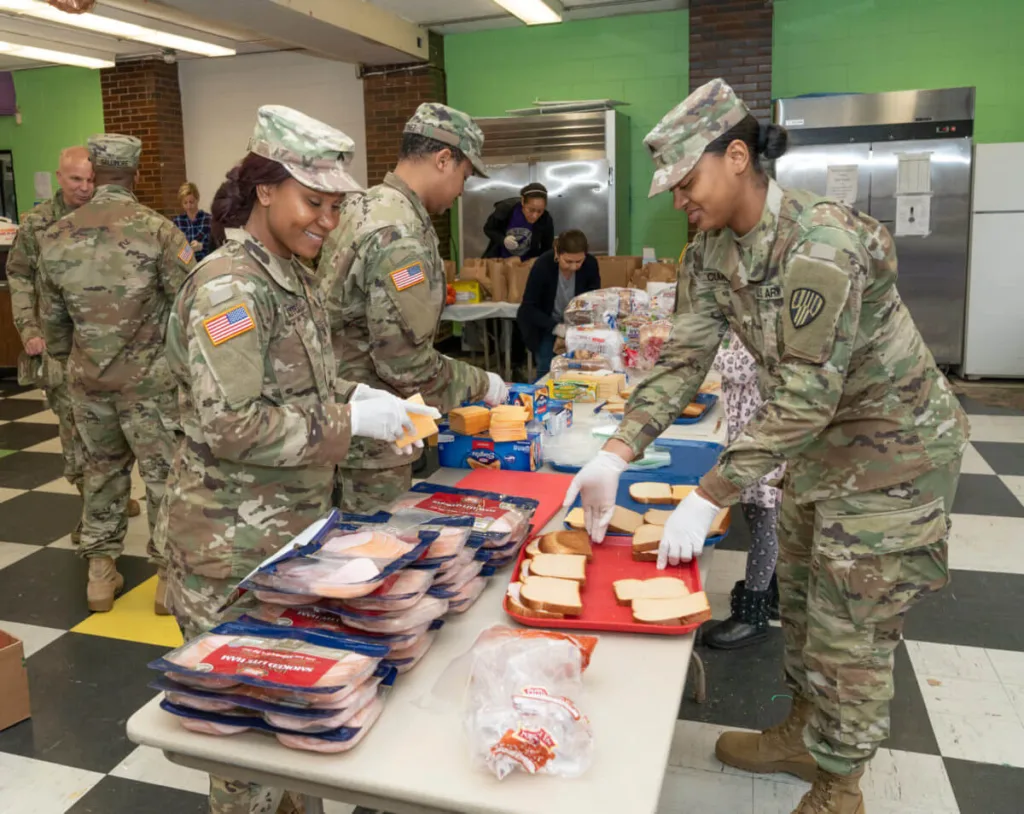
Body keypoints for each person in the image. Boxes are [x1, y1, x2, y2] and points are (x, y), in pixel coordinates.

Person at [563, 79, 968, 814]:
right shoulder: (712, 253)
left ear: (739, 156)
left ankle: (839, 789)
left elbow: (806, 398)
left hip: (893, 458)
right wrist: (615, 452)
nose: (680, 200)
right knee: (807, 608)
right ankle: (804, 734)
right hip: (817, 454)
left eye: (687, 182)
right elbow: (681, 362)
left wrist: (708, 496)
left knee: (851, 634)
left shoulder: (822, 246)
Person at [157, 105, 430, 814]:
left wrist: (357, 394)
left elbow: (296, 384)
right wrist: (349, 419)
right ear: (266, 188)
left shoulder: (291, 272)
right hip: (227, 550)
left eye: (337, 206)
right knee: (244, 752)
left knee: (289, 725)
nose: (328, 222)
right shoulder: (231, 288)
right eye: (315, 202)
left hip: (286, 538)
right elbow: (229, 422)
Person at [319, 102, 508, 513]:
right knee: (372, 553)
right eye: (464, 175)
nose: (462, 190)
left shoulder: (362, 205)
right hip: (372, 439)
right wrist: (482, 383)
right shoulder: (399, 234)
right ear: (444, 160)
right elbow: (403, 365)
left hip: (338, 415)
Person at [37, 135, 194, 615]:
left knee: (102, 475)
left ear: (97, 174)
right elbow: (188, 308)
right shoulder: (159, 231)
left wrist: (78, 360)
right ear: (137, 175)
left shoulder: (56, 235)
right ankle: (167, 581)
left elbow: (54, 326)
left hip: (87, 382)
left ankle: (100, 576)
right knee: (165, 476)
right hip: (151, 384)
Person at [5, 148, 143, 532]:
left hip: (111, 348)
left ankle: (108, 496)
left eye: (89, 180)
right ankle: (94, 513)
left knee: (113, 430)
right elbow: (18, 276)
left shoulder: (110, 218)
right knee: (73, 429)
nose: (84, 188)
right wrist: (29, 329)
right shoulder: (38, 225)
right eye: (75, 180)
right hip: (60, 348)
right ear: (59, 178)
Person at [704, 328, 784, 649]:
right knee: (760, 519)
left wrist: (706, 347)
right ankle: (772, 592)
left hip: (765, 438)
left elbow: (740, 368)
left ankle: (752, 614)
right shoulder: (755, 315)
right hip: (751, 435)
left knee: (766, 525)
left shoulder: (769, 320)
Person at [516, 228, 601, 377]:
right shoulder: (543, 265)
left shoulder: (590, 264)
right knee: (547, 370)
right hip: (546, 325)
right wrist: (556, 328)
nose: (574, 266)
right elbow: (529, 307)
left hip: (578, 326)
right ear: (557, 253)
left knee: (580, 370)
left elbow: (593, 297)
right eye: (568, 261)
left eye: (579, 261)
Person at [483, 182, 554, 259]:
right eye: (531, 210)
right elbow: (488, 229)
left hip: (526, 263)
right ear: (523, 201)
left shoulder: (545, 219)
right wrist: (503, 240)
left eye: (540, 211)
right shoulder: (505, 209)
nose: (535, 216)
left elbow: (547, 247)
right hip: (500, 261)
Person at [172, 181, 213, 262]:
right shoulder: (177, 222)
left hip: (205, 265)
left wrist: (202, 246)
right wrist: (188, 250)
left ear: (197, 199)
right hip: (186, 267)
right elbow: (174, 249)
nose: (188, 206)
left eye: (191, 202)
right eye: (185, 203)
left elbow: (217, 246)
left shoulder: (208, 219)